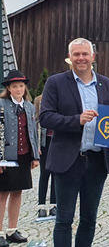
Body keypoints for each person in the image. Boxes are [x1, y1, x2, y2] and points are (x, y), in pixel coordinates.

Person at [40, 38, 109, 247]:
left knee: (89, 219)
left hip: (96, 161)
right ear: (70, 58)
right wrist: (76, 120)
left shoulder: (108, 84)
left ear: (93, 57)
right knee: (64, 219)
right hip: (68, 160)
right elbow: (45, 117)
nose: (81, 58)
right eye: (76, 54)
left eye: (85, 54)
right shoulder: (56, 82)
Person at [0, 70, 40, 247]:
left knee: (18, 192)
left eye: (21, 86)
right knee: (2, 194)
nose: (18, 89)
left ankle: (12, 230)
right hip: (6, 157)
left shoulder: (29, 107)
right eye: (14, 86)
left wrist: (35, 155)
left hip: (24, 156)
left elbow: (33, 132)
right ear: (8, 88)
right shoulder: (1, 105)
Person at [34, 94, 57, 218]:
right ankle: (41, 206)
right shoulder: (39, 100)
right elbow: (35, 123)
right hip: (44, 142)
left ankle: (54, 204)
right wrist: (36, 146)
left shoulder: (61, 98)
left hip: (57, 141)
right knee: (44, 174)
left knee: (55, 173)